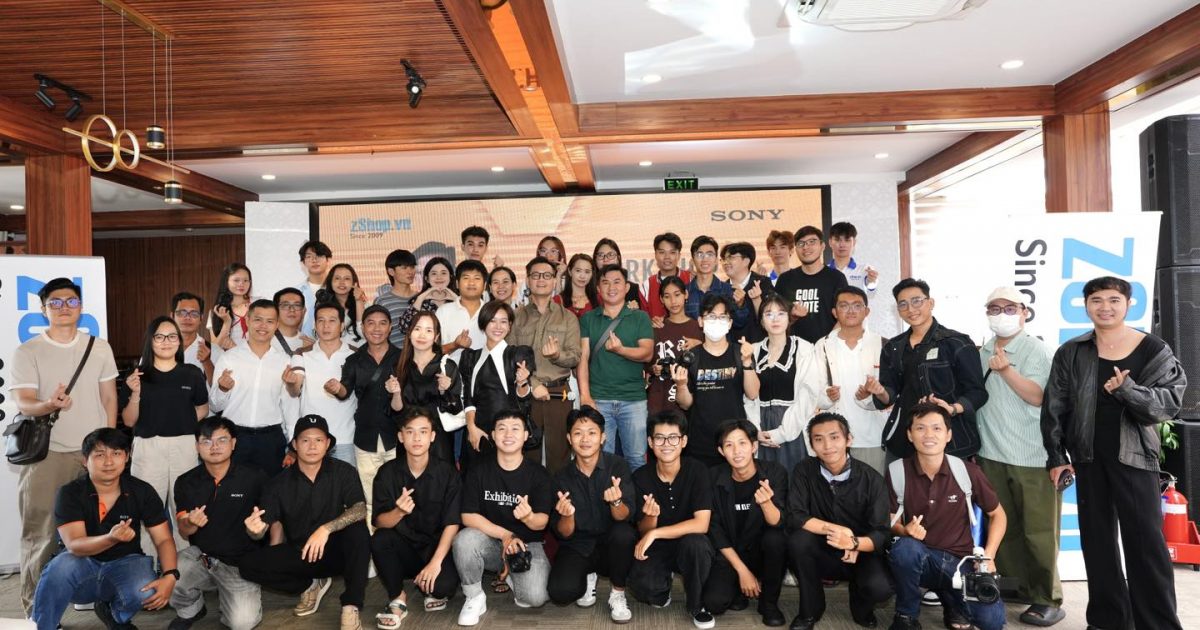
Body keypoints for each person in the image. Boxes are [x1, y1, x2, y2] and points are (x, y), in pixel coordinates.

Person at [1042, 276, 1187, 630]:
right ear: (1086, 306)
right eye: (1096, 300)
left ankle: (1158, 624)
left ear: (1128, 304)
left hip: (1136, 458)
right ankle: (1108, 621)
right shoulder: (1072, 351)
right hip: (1088, 458)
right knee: (1098, 544)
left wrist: (1128, 390)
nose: (1104, 307)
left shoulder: (1153, 349)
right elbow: (1054, 406)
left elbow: (1168, 404)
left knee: (1146, 546)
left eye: (1113, 300)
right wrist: (1057, 457)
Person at [11, 278, 119, 615]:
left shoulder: (99, 347)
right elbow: (24, 402)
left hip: (91, 455)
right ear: (43, 309)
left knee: (96, 528)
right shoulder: (28, 351)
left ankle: (85, 593)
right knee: (41, 533)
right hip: (48, 455)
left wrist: (106, 447)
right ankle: (37, 610)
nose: (64, 308)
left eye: (71, 301)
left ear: (80, 307)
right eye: (55, 303)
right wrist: (48, 404)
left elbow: (109, 398)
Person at [973, 287, 1064, 626]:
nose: (1002, 315)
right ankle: (1016, 586)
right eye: (994, 308)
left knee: (1039, 532)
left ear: (1024, 312)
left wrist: (1006, 370)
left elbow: (1039, 396)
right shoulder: (982, 350)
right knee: (1004, 527)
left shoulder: (1036, 349)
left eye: (1009, 308)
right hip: (990, 454)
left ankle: (1047, 598)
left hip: (1032, 455)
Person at [32, 428, 178, 630]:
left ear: (126, 457)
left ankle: (116, 616)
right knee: (59, 568)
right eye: (100, 455)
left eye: (116, 453)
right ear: (85, 460)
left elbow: (163, 539)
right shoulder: (70, 492)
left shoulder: (142, 490)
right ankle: (43, 626)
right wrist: (111, 538)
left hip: (126, 561)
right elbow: (75, 545)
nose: (109, 462)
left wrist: (170, 576)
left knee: (146, 589)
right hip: (81, 562)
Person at [240, 415, 370, 630]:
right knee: (247, 565)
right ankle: (309, 586)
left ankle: (351, 605)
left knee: (359, 532)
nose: (312, 446)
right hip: (302, 554)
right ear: (294, 444)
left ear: (327, 444)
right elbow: (262, 526)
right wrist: (254, 531)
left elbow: (359, 509)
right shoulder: (278, 483)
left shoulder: (343, 471)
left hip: (337, 552)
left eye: (318, 440)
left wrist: (326, 529)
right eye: (305, 440)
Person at [886, 402, 1006, 630]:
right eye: (920, 428)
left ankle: (952, 601)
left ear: (948, 435)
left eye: (937, 428)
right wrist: (904, 530)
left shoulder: (967, 471)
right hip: (920, 558)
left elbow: (998, 515)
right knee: (904, 548)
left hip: (960, 562)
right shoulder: (897, 471)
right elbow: (891, 520)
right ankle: (906, 616)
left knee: (992, 622)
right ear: (910, 435)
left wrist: (988, 556)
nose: (928, 435)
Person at [786, 412, 893, 630]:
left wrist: (854, 543)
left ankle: (861, 604)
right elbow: (795, 515)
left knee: (880, 589)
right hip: (822, 549)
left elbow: (881, 533)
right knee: (797, 541)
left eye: (834, 437)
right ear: (812, 446)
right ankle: (810, 610)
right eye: (819, 439)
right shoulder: (804, 471)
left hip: (860, 553)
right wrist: (839, 530)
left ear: (848, 439)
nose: (827, 446)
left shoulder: (872, 479)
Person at [867, 278, 988, 461]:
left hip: (950, 442)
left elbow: (978, 393)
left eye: (916, 301)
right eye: (903, 304)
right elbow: (889, 395)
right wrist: (881, 392)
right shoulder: (893, 347)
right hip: (905, 441)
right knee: (900, 481)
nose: (910, 309)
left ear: (930, 303)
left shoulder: (957, 343)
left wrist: (952, 409)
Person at [453, 409, 554, 626]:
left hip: (528, 545)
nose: (508, 434)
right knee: (464, 539)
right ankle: (474, 596)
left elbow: (542, 523)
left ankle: (510, 572)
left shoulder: (539, 474)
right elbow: (467, 516)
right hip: (490, 542)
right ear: (493, 435)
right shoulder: (478, 470)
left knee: (535, 598)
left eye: (515, 429)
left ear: (526, 435)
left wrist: (528, 517)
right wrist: (506, 535)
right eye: (502, 429)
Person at [168, 417, 267, 630]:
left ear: (233, 443)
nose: (214, 447)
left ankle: (230, 600)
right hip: (202, 558)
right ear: (197, 446)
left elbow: (264, 527)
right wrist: (192, 523)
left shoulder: (254, 477)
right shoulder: (186, 481)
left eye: (222, 440)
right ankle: (192, 610)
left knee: (242, 623)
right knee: (171, 573)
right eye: (206, 441)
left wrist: (257, 531)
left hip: (239, 564)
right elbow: (184, 531)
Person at [122, 316, 210, 552]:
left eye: (172, 336)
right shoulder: (138, 375)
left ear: (179, 341)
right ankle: (146, 565)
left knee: (185, 510)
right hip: (148, 448)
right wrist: (135, 393)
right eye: (159, 337)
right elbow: (129, 420)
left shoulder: (192, 373)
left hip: (184, 447)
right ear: (150, 341)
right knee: (146, 511)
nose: (166, 342)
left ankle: (184, 569)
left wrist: (181, 421)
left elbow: (203, 408)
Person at [370, 407, 462, 628]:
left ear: (432, 436)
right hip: (405, 551)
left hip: (436, 548)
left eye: (423, 432)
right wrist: (399, 512)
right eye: (410, 432)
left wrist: (435, 563)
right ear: (401, 437)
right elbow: (379, 522)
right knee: (379, 539)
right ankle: (397, 597)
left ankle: (430, 583)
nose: (417, 438)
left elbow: (452, 523)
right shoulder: (387, 473)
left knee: (444, 587)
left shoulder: (448, 473)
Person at [548, 406, 637, 623]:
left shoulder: (618, 466)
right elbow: (564, 534)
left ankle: (617, 593)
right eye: (578, 433)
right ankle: (588, 575)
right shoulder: (561, 476)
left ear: (603, 437)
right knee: (560, 592)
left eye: (592, 433)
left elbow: (625, 516)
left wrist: (616, 501)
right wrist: (567, 516)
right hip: (578, 545)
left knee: (624, 535)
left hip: (612, 546)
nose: (585, 439)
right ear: (569, 438)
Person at [628, 411, 716, 629]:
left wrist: (656, 532)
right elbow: (643, 531)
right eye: (659, 438)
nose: (666, 444)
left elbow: (702, 524)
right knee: (644, 587)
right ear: (650, 442)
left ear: (684, 441)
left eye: (673, 438)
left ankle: (697, 605)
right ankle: (662, 586)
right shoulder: (640, 476)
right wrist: (651, 518)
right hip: (658, 547)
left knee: (696, 544)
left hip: (690, 543)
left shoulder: (697, 471)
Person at [702, 420, 788, 627]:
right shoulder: (712, 477)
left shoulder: (774, 472)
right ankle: (739, 588)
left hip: (762, 551)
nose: (736, 451)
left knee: (776, 539)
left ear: (754, 446)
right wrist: (742, 570)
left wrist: (766, 503)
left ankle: (769, 603)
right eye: (729, 445)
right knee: (714, 603)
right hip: (730, 552)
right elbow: (714, 529)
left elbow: (778, 522)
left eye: (742, 443)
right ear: (721, 451)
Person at [327, 305, 402, 523]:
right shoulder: (354, 360)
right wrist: (337, 388)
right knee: (369, 496)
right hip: (365, 436)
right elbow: (344, 391)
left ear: (390, 327)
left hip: (397, 436)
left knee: (399, 494)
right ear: (362, 328)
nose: (376, 329)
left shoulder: (402, 357)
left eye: (382, 323)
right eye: (371, 323)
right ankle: (372, 539)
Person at [578, 264, 655, 471]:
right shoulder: (588, 319)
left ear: (627, 287)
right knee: (601, 459)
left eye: (617, 282)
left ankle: (637, 494)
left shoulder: (640, 317)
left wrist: (621, 350)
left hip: (633, 400)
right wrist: (585, 396)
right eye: (605, 282)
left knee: (637, 459)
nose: (611, 287)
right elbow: (583, 359)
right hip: (599, 399)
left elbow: (647, 353)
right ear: (598, 288)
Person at [510, 256, 581, 473]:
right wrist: (532, 383)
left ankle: (558, 496)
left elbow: (575, 356)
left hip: (559, 395)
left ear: (555, 281)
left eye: (547, 275)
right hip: (525, 395)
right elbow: (510, 356)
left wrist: (557, 355)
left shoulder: (568, 317)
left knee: (559, 456)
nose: (541, 279)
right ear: (528, 280)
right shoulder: (516, 317)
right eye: (536, 275)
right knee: (526, 456)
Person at [673, 294, 760, 467]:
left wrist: (747, 363)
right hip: (700, 442)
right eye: (711, 316)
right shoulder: (691, 357)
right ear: (700, 321)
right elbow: (685, 404)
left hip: (734, 443)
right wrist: (681, 385)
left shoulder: (740, 353)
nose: (717, 321)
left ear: (730, 323)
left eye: (722, 317)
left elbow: (752, 393)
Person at [208, 299, 292, 477]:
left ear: (277, 324)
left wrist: (293, 445)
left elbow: (289, 407)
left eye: (270, 321)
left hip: (271, 439)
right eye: (258, 319)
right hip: (235, 437)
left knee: (271, 490)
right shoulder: (229, 358)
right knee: (233, 489)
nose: (263, 326)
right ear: (247, 320)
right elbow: (215, 406)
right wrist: (223, 388)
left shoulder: (284, 361)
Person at [813, 287, 889, 473]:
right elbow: (814, 391)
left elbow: (890, 394)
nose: (851, 311)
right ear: (834, 312)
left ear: (867, 311)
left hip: (871, 436)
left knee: (873, 486)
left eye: (857, 305)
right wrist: (828, 395)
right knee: (834, 488)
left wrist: (870, 396)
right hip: (832, 441)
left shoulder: (883, 344)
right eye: (844, 305)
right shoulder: (823, 345)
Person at [459, 300, 535, 471]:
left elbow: (523, 398)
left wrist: (522, 383)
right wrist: (471, 427)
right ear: (483, 324)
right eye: (492, 321)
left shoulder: (518, 354)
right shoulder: (471, 357)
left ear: (510, 326)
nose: (498, 326)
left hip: (508, 435)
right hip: (477, 433)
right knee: (475, 478)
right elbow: (469, 397)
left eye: (503, 321)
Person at [385, 310, 465, 466]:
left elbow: (456, 409)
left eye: (428, 330)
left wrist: (444, 391)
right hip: (409, 438)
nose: (422, 335)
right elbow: (396, 410)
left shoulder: (446, 366)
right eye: (417, 329)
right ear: (409, 333)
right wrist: (396, 393)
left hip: (438, 440)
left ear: (436, 337)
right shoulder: (399, 366)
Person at [750, 294, 820, 472]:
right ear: (761, 321)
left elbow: (808, 395)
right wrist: (754, 431)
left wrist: (782, 433)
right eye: (769, 314)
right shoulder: (753, 350)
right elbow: (747, 397)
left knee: (795, 480)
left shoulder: (804, 349)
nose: (775, 319)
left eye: (781, 313)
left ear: (789, 318)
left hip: (794, 428)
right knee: (765, 480)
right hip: (760, 429)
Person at [285, 301, 358, 465]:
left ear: (342, 325)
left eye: (332, 320)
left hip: (345, 438)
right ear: (315, 325)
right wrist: (290, 383)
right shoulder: (302, 353)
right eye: (321, 320)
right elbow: (295, 390)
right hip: (311, 439)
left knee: (345, 481)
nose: (326, 326)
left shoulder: (355, 355)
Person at [774, 226, 848, 344]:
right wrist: (793, 317)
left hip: (828, 347)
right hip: (792, 348)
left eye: (812, 242)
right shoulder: (785, 280)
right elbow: (775, 317)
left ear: (822, 246)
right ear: (795, 249)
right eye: (801, 243)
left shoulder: (836, 278)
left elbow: (844, 317)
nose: (806, 247)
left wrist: (826, 345)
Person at [647, 276, 702, 416]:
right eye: (667, 296)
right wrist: (654, 368)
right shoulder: (656, 328)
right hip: (659, 397)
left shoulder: (698, 328)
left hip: (690, 399)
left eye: (677, 295)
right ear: (661, 299)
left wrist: (700, 345)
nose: (673, 301)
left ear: (686, 294)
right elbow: (646, 362)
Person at [437, 260, 488, 363]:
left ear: (485, 285)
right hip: (450, 372)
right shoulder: (443, 311)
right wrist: (455, 345)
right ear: (457, 283)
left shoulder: (492, 312)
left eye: (477, 278)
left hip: (486, 372)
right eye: (466, 278)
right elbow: (431, 351)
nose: (471, 283)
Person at [397, 256, 458, 339]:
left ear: (450, 277)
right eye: (434, 273)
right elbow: (404, 328)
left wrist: (457, 300)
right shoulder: (419, 301)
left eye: (443, 273)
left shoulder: (457, 299)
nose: (439, 277)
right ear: (427, 279)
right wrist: (420, 299)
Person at [720, 241, 770, 343]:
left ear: (746, 261)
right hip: (732, 347)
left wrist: (757, 300)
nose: (725, 262)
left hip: (758, 345)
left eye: (731, 257)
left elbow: (770, 318)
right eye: (723, 259)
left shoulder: (762, 283)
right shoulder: (722, 289)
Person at [641, 232, 691, 323]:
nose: (667, 257)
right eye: (662, 252)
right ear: (655, 255)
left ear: (679, 255)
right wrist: (652, 323)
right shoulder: (646, 286)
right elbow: (643, 322)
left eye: (672, 252)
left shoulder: (691, 279)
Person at [374, 248, 419, 349]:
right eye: (404, 267)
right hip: (393, 356)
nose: (410, 272)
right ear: (391, 271)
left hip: (419, 355)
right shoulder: (382, 301)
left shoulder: (421, 298)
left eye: (412, 267)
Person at [683, 236, 734, 320]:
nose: (705, 259)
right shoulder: (684, 291)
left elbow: (738, 323)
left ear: (716, 260)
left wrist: (741, 305)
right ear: (692, 260)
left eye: (709, 254)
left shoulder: (728, 290)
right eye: (700, 254)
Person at [319, 263, 368, 349]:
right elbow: (319, 335)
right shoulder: (323, 307)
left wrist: (358, 301)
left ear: (354, 283)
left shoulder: (365, 305)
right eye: (337, 278)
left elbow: (365, 333)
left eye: (347, 278)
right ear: (330, 282)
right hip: (334, 354)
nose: (342, 282)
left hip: (360, 354)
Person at [210, 263, 256, 351]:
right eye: (236, 280)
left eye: (246, 280)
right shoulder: (217, 311)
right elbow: (215, 349)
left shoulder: (258, 303)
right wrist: (227, 322)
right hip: (231, 358)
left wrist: (236, 349)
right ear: (226, 282)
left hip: (259, 357)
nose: (241, 284)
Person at [171, 291, 214, 383]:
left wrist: (207, 361)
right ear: (172, 316)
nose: (187, 317)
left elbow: (220, 389)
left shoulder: (215, 350)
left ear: (201, 318)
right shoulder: (157, 349)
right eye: (182, 313)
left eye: (194, 314)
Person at [828, 222, 879, 295]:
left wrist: (871, 281)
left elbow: (871, 290)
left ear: (854, 242)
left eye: (847, 240)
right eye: (837, 240)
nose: (842, 245)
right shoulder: (823, 271)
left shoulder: (865, 269)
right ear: (830, 242)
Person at [296, 240, 333, 337]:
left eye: (319, 255)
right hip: (303, 343)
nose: (314, 260)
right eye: (309, 257)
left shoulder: (337, 290)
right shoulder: (296, 292)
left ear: (328, 260)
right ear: (303, 262)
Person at [593, 239, 643, 309]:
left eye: (610, 255)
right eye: (600, 255)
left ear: (618, 258)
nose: (605, 259)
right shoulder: (588, 287)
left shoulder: (632, 289)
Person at [555, 253, 599, 318]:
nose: (582, 276)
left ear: (592, 274)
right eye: (578, 271)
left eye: (587, 272)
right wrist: (575, 310)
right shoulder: (558, 300)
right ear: (570, 271)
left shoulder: (599, 299)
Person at [272, 287, 314, 356]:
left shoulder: (309, 344)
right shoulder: (264, 338)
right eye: (285, 305)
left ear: (303, 311)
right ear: (275, 310)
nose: (292, 310)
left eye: (297, 305)